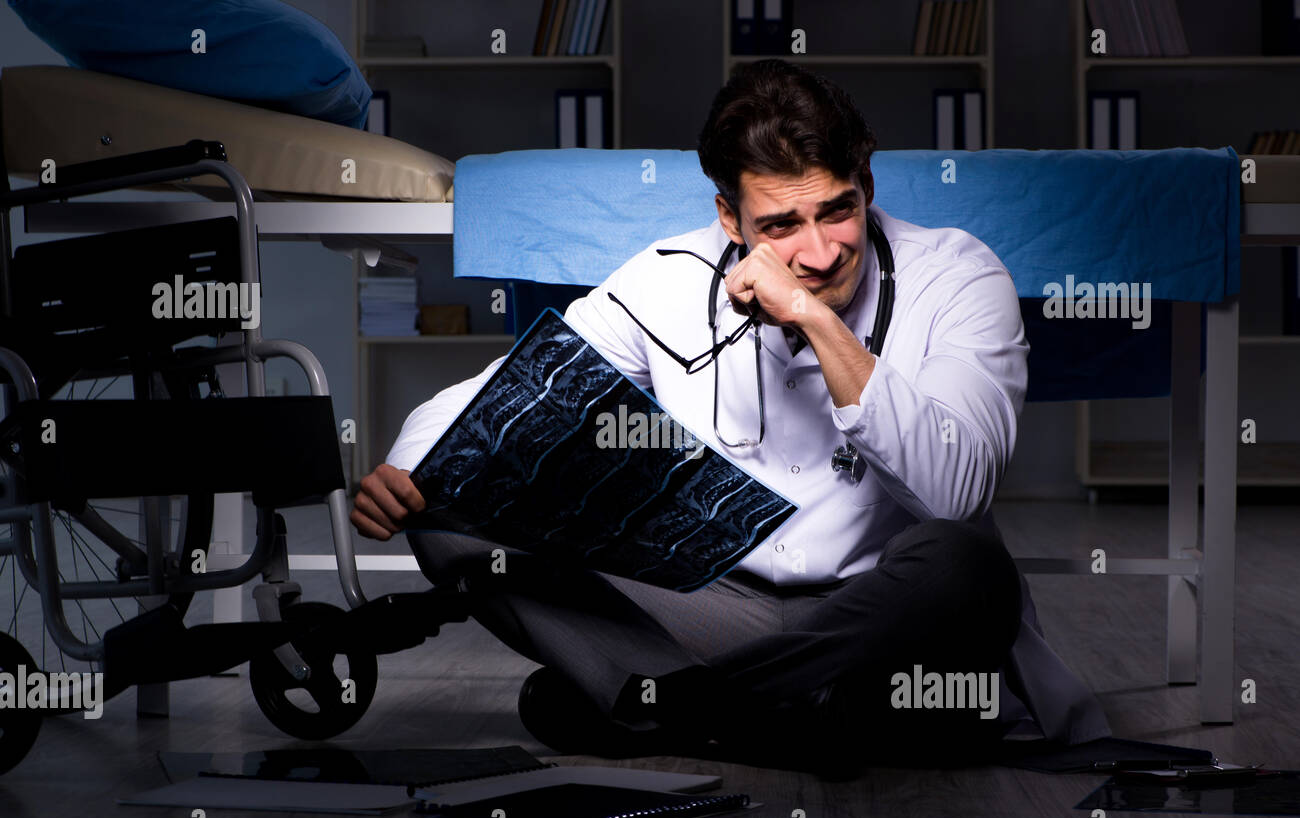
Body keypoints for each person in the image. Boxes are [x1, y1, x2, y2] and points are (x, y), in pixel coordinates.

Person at [350, 59, 1110, 778]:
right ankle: (786, 718)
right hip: (718, 606)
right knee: (452, 514)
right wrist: (412, 465)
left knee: (965, 565)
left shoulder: (958, 276)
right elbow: (515, 391)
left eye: (838, 210)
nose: (818, 250)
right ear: (730, 218)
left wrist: (814, 317)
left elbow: (955, 490)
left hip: (880, 620)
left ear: (866, 184)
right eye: (781, 224)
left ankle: (668, 709)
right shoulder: (668, 277)